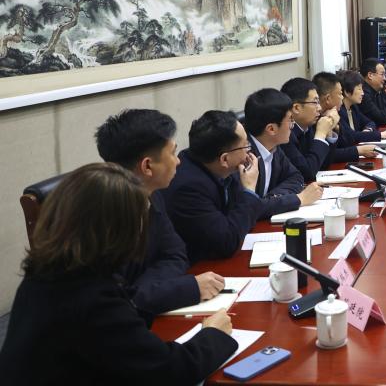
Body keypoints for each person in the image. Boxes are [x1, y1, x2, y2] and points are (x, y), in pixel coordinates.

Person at [0, 164, 238, 384]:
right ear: (119, 230)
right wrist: (213, 334)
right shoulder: (92, 300)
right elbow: (169, 371)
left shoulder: (47, 272)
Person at [95, 109, 223, 316]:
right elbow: (118, 301)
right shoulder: (102, 220)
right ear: (147, 166)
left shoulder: (152, 194)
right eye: (172, 153)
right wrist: (186, 289)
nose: (178, 161)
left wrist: (146, 288)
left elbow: (175, 253)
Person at [164, 110, 263, 263]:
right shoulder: (188, 188)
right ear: (224, 159)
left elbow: (242, 214)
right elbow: (227, 242)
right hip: (197, 267)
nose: (248, 151)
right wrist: (249, 190)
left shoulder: (219, 167)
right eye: (245, 146)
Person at [244, 88, 323, 218]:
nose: (293, 125)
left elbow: (296, 176)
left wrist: (273, 199)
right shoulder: (244, 157)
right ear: (271, 129)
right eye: (290, 120)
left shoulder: (273, 146)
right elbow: (250, 207)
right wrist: (299, 199)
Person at [279, 77, 341, 182]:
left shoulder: (308, 126)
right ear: (296, 108)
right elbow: (306, 173)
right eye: (315, 102)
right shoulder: (285, 135)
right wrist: (321, 135)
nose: (319, 108)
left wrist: (329, 132)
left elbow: (324, 164)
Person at [336, 69, 386, 163]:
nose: (363, 93)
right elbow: (353, 136)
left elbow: (370, 122)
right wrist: (381, 135)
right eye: (359, 89)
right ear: (347, 92)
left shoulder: (353, 108)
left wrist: (367, 130)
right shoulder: (339, 112)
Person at [358, 58, 386, 126]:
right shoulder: (363, 94)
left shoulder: (378, 90)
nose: (385, 78)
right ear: (370, 75)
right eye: (382, 74)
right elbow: (382, 119)